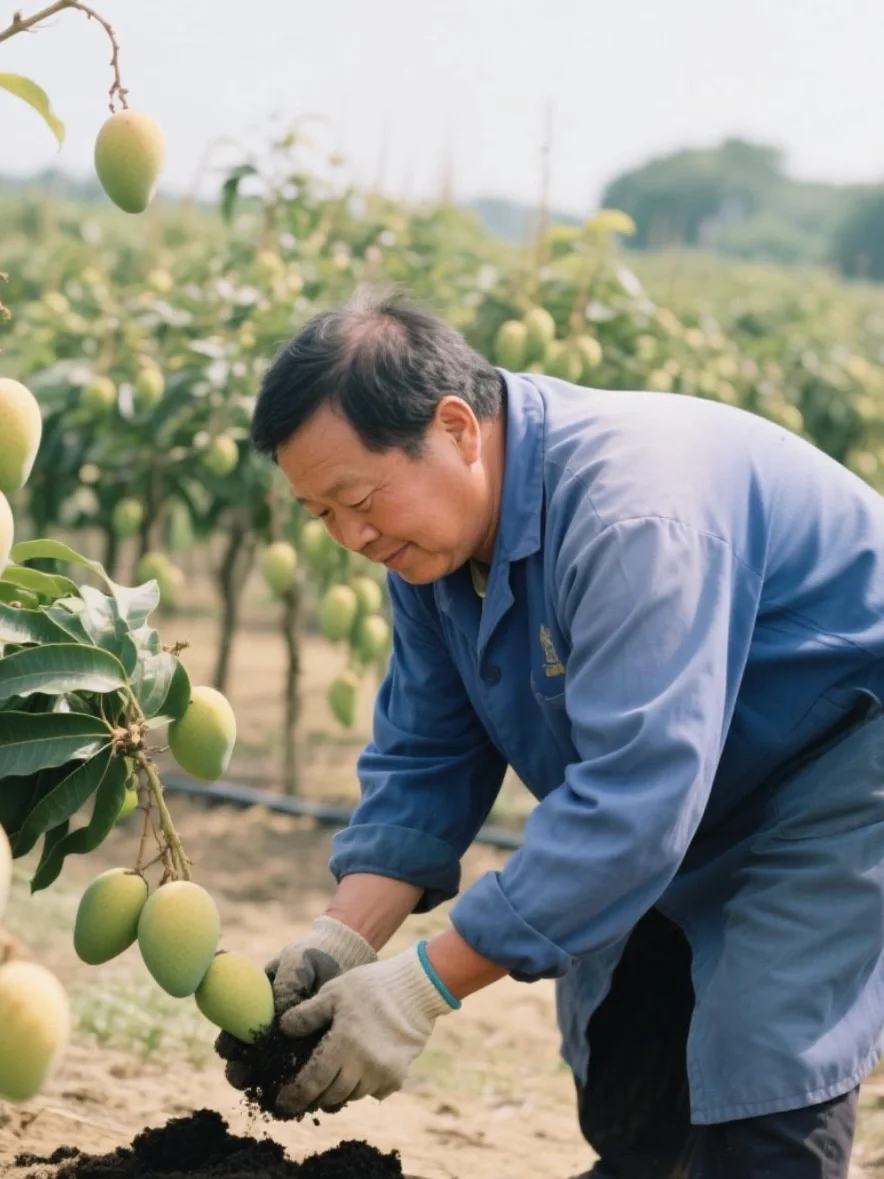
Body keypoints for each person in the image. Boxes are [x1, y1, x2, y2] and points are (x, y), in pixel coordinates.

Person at [216, 288, 884, 1179]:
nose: (351, 535)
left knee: (760, 1063)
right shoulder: (431, 548)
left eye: (359, 498)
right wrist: (341, 939)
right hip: (704, 780)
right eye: (322, 514)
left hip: (841, 763)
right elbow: (428, 754)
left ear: (456, 426)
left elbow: (637, 801)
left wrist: (421, 986)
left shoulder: (629, 514)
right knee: (631, 1078)